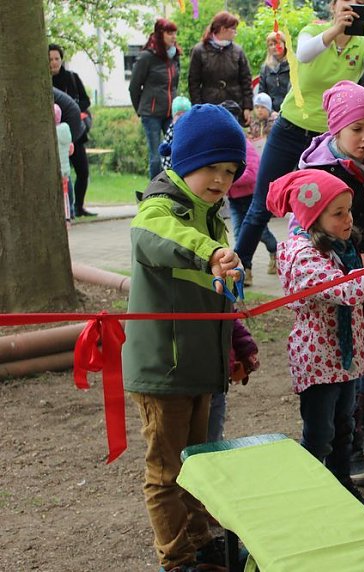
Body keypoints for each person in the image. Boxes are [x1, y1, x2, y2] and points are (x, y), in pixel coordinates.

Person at [122, 103, 248, 571]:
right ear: (185, 161)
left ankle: (201, 543)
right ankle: (176, 560)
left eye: (231, 171)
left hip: (198, 367)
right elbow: (153, 237)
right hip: (163, 371)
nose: (221, 179)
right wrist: (211, 251)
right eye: (211, 167)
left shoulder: (211, 216)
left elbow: (216, 296)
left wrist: (237, 343)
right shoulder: (160, 207)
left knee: (196, 466)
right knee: (165, 473)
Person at [297, 80, 364, 485]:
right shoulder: (315, 174)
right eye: (356, 129)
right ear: (335, 131)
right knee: (347, 363)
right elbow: (303, 234)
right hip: (338, 289)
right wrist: (349, 260)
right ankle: (350, 448)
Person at [233, 0, 364, 278]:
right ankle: (239, 264)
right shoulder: (313, 30)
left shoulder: (362, 43)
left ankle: (328, 268)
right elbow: (304, 54)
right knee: (260, 203)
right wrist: (335, 30)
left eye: (361, 2)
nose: (355, 5)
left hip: (329, 139)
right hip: (290, 127)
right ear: (333, 6)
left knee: (328, 205)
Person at [266, 168, 364, 510]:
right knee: (319, 435)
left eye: (349, 210)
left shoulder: (339, 247)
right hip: (318, 361)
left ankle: (341, 489)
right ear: (313, 216)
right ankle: (308, 496)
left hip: (344, 360)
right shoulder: (300, 255)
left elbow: (352, 294)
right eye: (338, 213)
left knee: (344, 427)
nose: (348, 219)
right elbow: (342, 288)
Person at [221, 99, 279, 286]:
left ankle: (275, 250)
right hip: (235, 200)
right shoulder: (222, 145)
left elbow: (252, 174)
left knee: (260, 232)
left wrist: (230, 178)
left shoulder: (243, 144)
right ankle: (246, 271)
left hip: (249, 197)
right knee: (240, 233)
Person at [129, 18, 182, 180]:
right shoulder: (147, 57)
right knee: (156, 155)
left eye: (174, 33)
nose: (173, 37)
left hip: (170, 112)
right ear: (160, 34)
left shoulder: (174, 56)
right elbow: (134, 86)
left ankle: (173, 187)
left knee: (174, 150)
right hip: (151, 114)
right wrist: (141, 109)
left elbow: (174, 84)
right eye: (169, 33)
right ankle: (155, 191)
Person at [49, 43, 94, 217]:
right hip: (58, 134)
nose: (54, 62)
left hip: (75, 131)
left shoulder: (72, 78)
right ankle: (69, 209)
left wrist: (74, 107)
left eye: (57, 59)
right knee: (63, 171)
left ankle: (79, 206)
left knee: (82, 171)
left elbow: (85, 101)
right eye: (50, 59)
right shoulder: (44, 82)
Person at [187, 11, 253, 125]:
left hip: (234, 105)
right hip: (209, 106)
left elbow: (246, 80)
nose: (235, 33)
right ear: (223, 29)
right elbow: (193, 83)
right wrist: (198, 108)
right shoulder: (199, 51)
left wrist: (247, 107)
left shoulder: (238, 51)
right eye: (233, 29)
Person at [257, 31, 291, 112]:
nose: (274, 47)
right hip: (271, 113)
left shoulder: (293, 65)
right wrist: (271, 112)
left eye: (277, 43)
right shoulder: (265, 68)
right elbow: (262, 93)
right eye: (271, 45)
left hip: (290, 111)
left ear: (285, 44)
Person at [159, 96, 192, 172]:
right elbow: (166, 147)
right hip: (171, 164)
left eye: (184, 114)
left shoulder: (190, 129)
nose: (181, 117)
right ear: (173, 116)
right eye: (178, 114)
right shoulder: (172, 130)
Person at [54, 103, 74, 226]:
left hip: (56, 170)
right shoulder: (66, 131)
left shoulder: (52, 133)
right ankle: (67, 217)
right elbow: (71, 150)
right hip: (65, 171)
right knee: (65, 194)